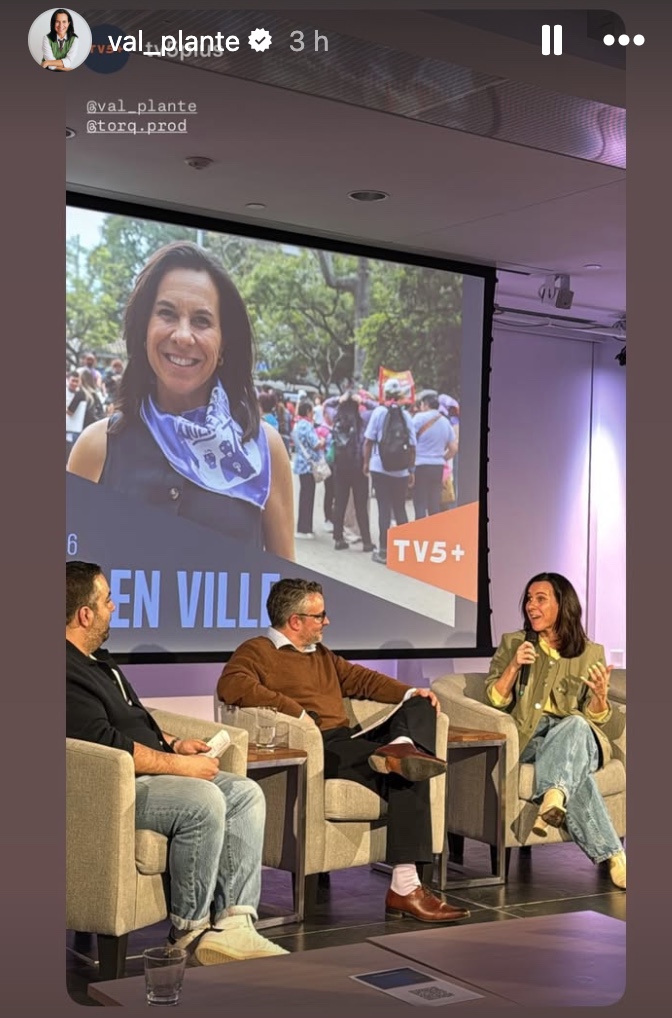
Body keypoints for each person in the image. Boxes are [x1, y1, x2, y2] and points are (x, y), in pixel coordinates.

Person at [66, 560, 289, 965]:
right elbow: (103, 742)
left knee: (245, 793)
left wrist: (174, 743)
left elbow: (133, 719)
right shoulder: (64, 669)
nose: (113, 608)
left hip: (145, 770)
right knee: (203, 800)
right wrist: (178, 767)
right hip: (113, 787)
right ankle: (189, 930)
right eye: (107, 601)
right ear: (85, 614)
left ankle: (235, 925)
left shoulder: (99, 659)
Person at [218, 578, 470, 924]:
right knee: (406, 774)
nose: (327, 621)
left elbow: (362, 680)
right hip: (320, 748)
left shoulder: (321, 654)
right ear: (295, 621)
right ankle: (406, 886)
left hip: (349, 739)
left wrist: (411, 692)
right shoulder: (257, 651)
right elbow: (232, 685)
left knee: (421, 705)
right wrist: (295, 711)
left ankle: (401, 748)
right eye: (319, 616)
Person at [67, 241, 294, 558]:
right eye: (167, 314)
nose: (183, 336)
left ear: (224, 343)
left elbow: (287, 582)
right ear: (144, 330)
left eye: (202, 320)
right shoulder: (97, 447)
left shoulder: (263, 450)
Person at [485, 572, 626, 889]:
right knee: (575, 773)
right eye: (528, 599)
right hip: (531, 740)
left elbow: (596, 718)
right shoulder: (514, 643)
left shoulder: (590, 652)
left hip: (579, 737)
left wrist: (600, 697)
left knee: (575, 724)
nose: (531, 606)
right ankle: (614, 855)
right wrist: (513, 666)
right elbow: (494, 700)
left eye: (540, 599)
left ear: (563, 605)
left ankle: (554, 795)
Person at [363, 378, 416, 565]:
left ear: (385, 394)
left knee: (383, 508)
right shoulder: (406, 415)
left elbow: (368, 441)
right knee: (400, 508)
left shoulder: (378, 412)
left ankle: (384, 551)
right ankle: (405, 553)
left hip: (380, 467)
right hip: (401, 471)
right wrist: (411, 469)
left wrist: (366, 463)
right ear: (400, 395)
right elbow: (412, 446)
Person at [412, 391, 458, 518]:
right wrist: (442, 458)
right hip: (437, 467)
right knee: (434, 503)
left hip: (420, 465)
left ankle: (420, 529)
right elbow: (453, 448)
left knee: (420, 503)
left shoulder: (418, 418)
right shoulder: (445, 422)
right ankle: (434, 529)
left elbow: (410, 442)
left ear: (426, 404)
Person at [291, 400, 323, 539]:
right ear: (308, 412)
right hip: (309, 465)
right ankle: (305, 528)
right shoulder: (307, 426)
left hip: (301, 463)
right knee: (308, 497)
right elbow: (315, 444)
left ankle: (304, 526)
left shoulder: (298, 425)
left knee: (305, 496)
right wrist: (322, 441)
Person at [66, 371, 87, 463]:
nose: (74, 383)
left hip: (74, 428)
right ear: (68, 380)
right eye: (72, 381)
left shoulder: (80, 394)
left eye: (76, 381)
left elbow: (70, 412)